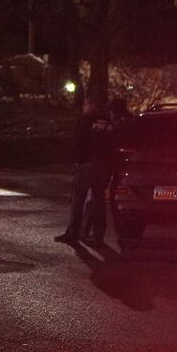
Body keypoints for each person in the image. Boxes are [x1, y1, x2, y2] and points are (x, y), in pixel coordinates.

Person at [55, 98, 114, 246]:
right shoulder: (109, 122)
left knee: (78, 198)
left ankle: (73, 232)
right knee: (98, 199)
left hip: (87, 163)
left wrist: (77, 161)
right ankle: (97, 235)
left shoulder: (86, 120)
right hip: (104, 164)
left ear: (91, 106)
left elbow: (77, 141)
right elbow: (113, 143)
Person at [81, 97, 133, 239]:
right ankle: (93, 231)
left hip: (112, 163)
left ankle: (91, 231)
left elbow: (110, 143)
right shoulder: (133, 121)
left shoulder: (116, 124)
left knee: (97, 196)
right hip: (127, 165)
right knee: (103, 196)